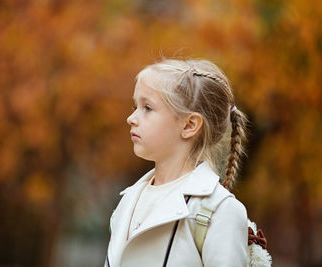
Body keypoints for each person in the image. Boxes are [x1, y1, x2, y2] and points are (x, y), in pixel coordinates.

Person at [105, 58, 249, 267]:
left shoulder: (218, 210)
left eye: (147, 108)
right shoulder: (128, 201)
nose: (131, 118)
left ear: (189, 125)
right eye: (135, 106)